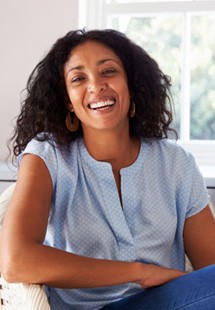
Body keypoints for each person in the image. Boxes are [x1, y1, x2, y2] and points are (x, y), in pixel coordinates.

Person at [0, 29, 215, 310]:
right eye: (78, 78)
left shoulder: (176, 164)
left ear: (131, 84)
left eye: (109, 71)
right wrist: (140, 272)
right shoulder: (47, 156)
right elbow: (16, 261)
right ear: (67, 100)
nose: (96, 86)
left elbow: (209, 268)